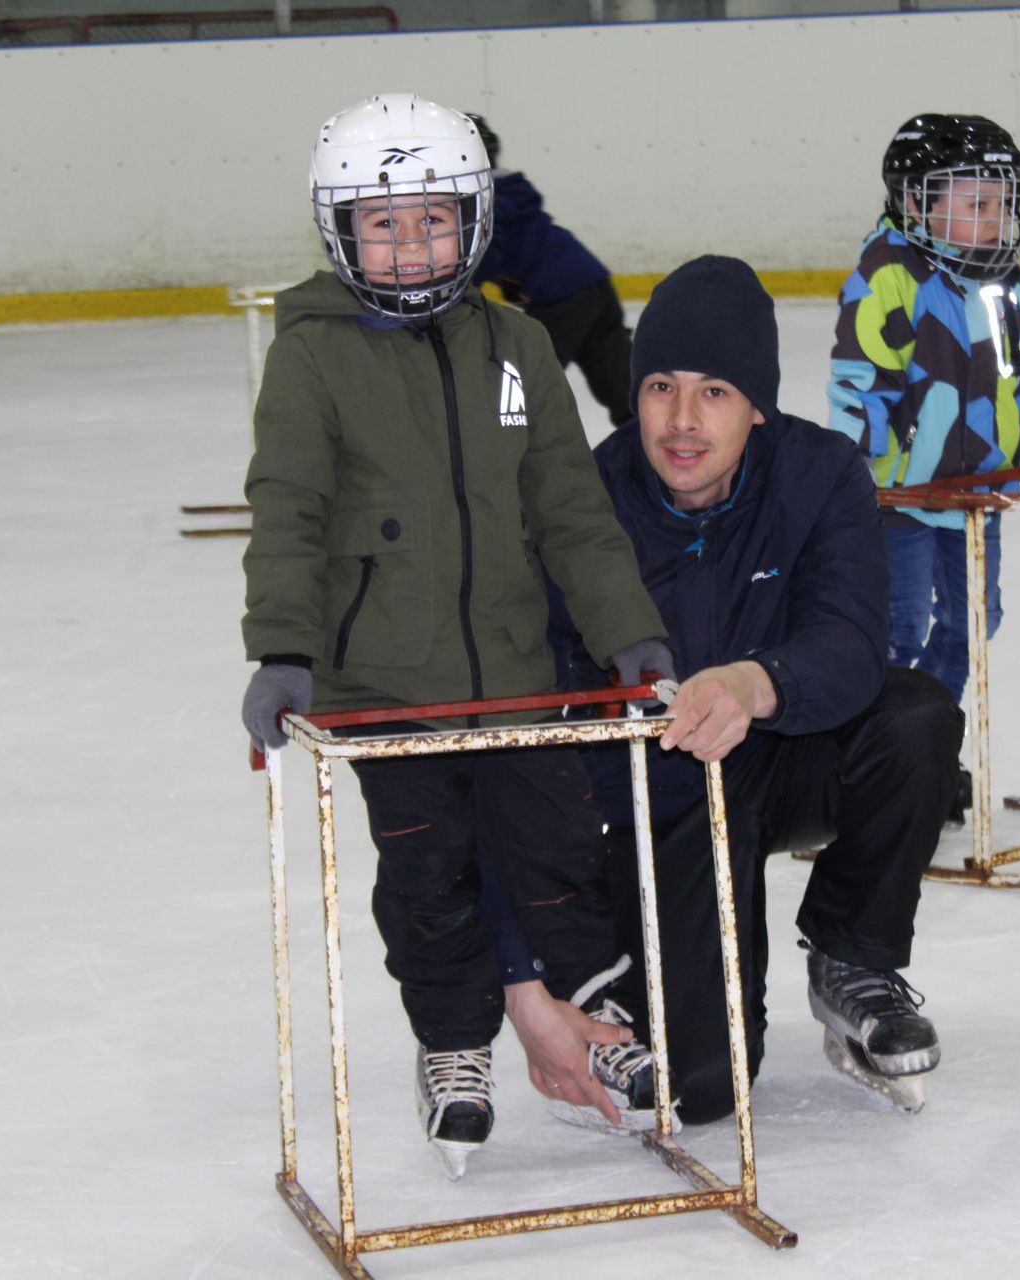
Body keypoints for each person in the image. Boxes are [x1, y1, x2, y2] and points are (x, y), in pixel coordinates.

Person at [237, 92, 673, 1178]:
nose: (410, 244)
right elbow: (286, 503)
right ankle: (453, 1044)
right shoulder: (312, 356)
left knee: (560, 852)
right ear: (340, 231)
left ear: (475, 222)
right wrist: (281, 646)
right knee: (427, 876)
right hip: (383, 679)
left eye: (435, 219)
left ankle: (594, 1019)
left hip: (519, 667)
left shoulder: (517, 340)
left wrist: (629, 630)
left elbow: (571, 507)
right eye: (383, 224)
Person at [503, 255, 966, 1125]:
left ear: (758, 403)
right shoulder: (584, 501)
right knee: (705, 1089)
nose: (681, 421)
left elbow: (854, 643)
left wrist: (757, 683)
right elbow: (543, 712)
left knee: (915, 720)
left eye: (714, 392)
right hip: (661, 801)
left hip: (786, 756)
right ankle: (651, 984)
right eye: (660, 387)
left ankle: (851, 957)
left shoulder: (821, 472)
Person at [827, 114, 1020, 822]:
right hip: (898, 498)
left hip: (975, 497)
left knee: (974, 621)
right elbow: (858, 381)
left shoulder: (1007, 286)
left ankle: (924, 746)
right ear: (915, 203)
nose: (994, 220)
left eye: (1001, 204)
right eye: (975, 204)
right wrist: (846, 468)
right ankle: (876, 758)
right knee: (900, 628)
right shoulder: (887, 277)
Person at [465, 112, 636, 428]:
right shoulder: (506, 189)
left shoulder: (485, 200)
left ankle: (505, 446)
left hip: (562, 297)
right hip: (592, 281)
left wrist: (458, 287)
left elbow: (487, 252)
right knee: (618, 381)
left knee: (526, 377)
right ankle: (640, 440)